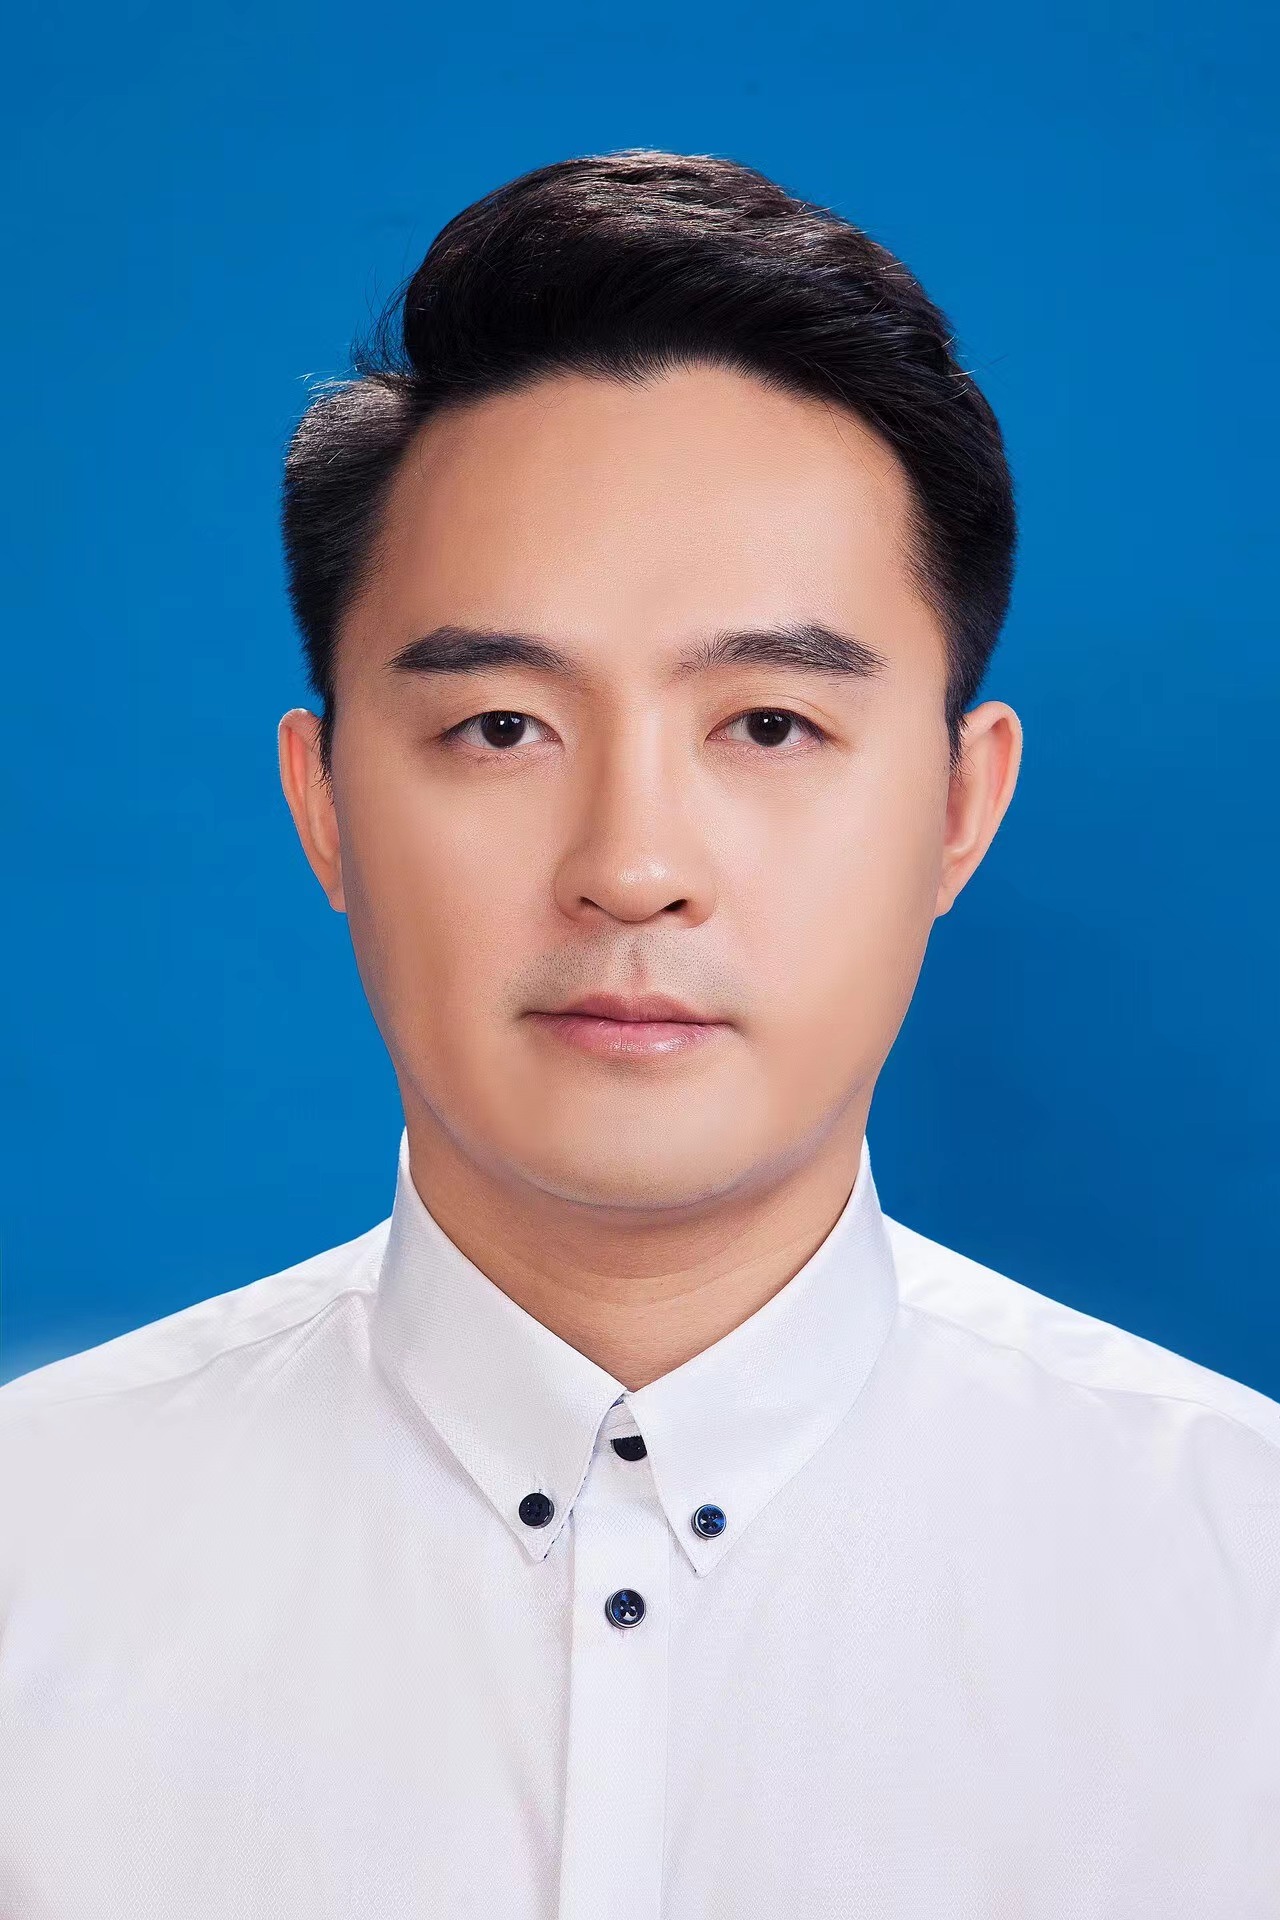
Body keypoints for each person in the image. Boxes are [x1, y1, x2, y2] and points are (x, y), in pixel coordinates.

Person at [1, 148, 1275, 1919]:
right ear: (325, 804)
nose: (632, 867)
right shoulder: (34, 1562)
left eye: (767, 725)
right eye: (501, 728)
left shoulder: (1241, 1592)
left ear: (958, 809)